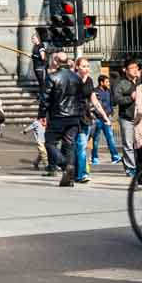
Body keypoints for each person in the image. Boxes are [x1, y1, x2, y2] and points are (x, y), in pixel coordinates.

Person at [46, 49, 93, 186]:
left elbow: (45, 98)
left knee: (50, 142)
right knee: (69, 144)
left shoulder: (53, 77)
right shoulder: (76, 78)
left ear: (56, 62)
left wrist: (42, 114)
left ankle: (65, 164)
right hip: (74, 116)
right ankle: (69, 177)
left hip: (58, 116)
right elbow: (81, 97)